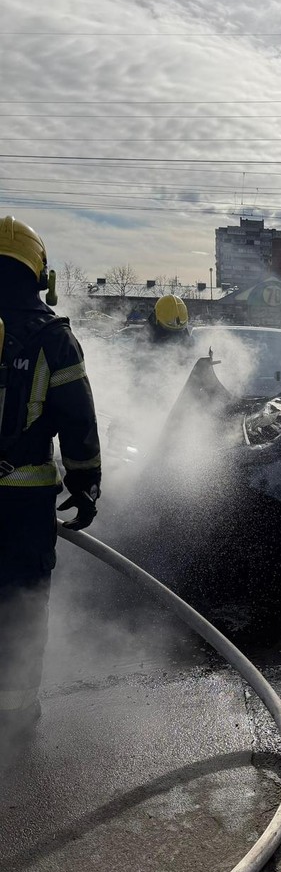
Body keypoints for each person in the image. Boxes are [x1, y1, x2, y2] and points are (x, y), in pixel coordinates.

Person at [0, 216, 101, 737]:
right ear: (40, 273)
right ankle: (15, 718)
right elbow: (77, 423)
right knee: (19, 606)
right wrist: (85, 488)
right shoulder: (53, 340)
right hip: (22, 507)